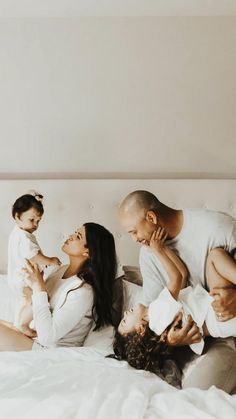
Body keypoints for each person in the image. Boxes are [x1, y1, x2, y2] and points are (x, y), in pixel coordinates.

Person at [119, 190, 236, 393]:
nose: (134, 239)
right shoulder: (148, 255)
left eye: (134, 231)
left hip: (222, 320)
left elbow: (178, 278)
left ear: (151, 217)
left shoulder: (218, 227)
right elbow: (156, 325)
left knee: (215, 255)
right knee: (185, 392)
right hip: (200, 331)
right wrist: (171, 342)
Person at [0, 222, 117, 351]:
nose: (71, 236)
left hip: (48, 350)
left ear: (88, 252)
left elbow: (47, 337)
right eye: (74, 232)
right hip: (35, 338)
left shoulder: (83, 291)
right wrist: (33, 283)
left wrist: (39, 287)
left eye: (78, 236)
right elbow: (40, 305)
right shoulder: (61, 270)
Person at [8, 191, 61, 337]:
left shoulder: (17, 232)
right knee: (40, 299)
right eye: (32, 220)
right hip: (24, 278)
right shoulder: (24, 237)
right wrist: (50, 260)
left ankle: (18, 322)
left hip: (17, 278)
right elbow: (34, 255)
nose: (35, 225)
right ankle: (23, 325)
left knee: (27, 301)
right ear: (17, 217)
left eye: (38, 221)